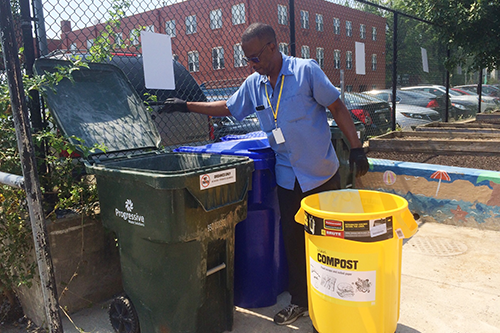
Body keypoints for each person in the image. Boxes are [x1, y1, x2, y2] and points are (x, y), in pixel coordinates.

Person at [162, 22, 369, 326]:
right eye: (247, 58)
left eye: (255, 57)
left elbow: (336, 106)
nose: (251, 64)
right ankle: (300, 301)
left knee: (328, 242)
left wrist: (356, 147)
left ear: (273, 46)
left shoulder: (305, 71)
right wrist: (186, 106)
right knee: (294, 241)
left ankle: (336, 303)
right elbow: (230, 108)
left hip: (321, 174)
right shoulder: (254, 84)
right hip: (287, 177)